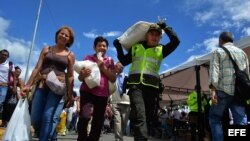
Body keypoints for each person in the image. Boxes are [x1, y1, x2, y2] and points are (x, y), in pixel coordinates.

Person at [113, 21, 180, 140]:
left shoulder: (161, 49)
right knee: (140, 115)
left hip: (152, 88)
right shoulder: (136, 47)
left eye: (157, 35)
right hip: (135, 87)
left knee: (148, 118)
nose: (154, 37)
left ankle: (140, 136)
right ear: (147, 35)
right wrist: (118, 46)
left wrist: (165, 27)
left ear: (160, 37)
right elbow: (123, 60)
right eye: (152, 34)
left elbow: (176, 41)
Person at [22, 26, 75, 141]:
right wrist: (27, 85)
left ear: (69, 40)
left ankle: (44, 138)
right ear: (57, 35)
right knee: (35, 117)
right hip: (42, 85)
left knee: (47, 116)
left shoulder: (70, 55)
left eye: (67, 35)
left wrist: (70, 95)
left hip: (57, 88)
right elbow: (37, 68)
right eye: (62, 33)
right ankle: (50, 135)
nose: (64, 36)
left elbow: (70, 76)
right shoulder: (46, 49)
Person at [209, 31, 249, 141]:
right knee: (240, 121)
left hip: (223, 91)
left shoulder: (218, 51)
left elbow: (214, 72)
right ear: (232, 40)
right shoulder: (242, 53)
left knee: (215, 118)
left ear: (221, 40)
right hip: (239, 93)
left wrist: (213, 91)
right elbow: (247, 75)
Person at [77, 36, 116, 141]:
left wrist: (103, 67)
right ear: (95, 47)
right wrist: (83, 74)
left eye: (104, 46)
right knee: (85, 116)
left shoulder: (110, 61)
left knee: (98, 121)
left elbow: (113, 78)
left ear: (107, 48)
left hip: (103, 94)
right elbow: (80, 78)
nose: (102, 47)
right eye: (99, 45)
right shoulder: (88, 58)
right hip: (87, 91)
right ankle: (82, 138)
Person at [110, 61, 130, 141]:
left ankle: (119, 136)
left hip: (126, 101)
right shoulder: (113, 77)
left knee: (124, 121)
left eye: (116, 66)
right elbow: (110, 89)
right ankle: (118, 139)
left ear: (121, 68)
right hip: (115, 100)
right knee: (117, 121)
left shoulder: (127, 77)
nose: (115, 67)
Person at [0, 49, 16, 120]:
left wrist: (14, 86)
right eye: (3, 54)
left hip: (4, 86)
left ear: (8, 56)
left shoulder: (10, 64)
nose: (4, 56)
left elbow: (14, 76)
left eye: (6, 55)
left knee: (0, 102)